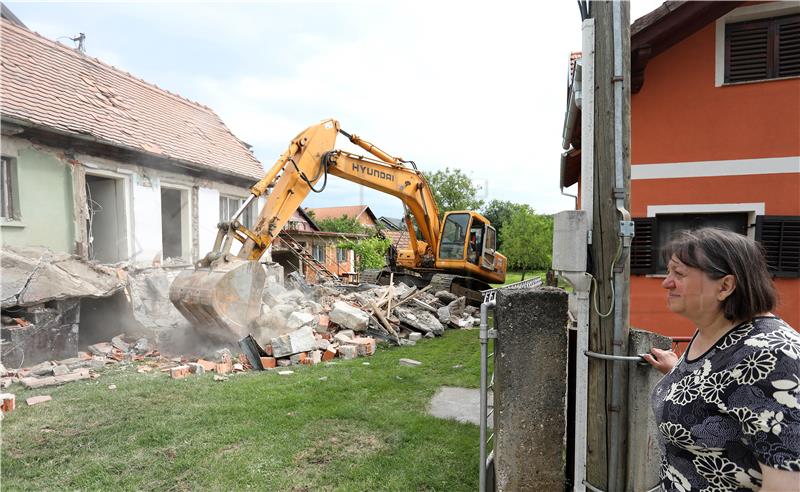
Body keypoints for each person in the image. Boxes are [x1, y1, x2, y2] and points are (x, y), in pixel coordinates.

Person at [643, 227, 800, 491]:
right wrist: (675, 372)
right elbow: (723, 387)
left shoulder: (773, 357)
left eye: (679, 274)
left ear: (725, 286)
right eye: (668, 272)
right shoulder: (713, 330)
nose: (666, 282)